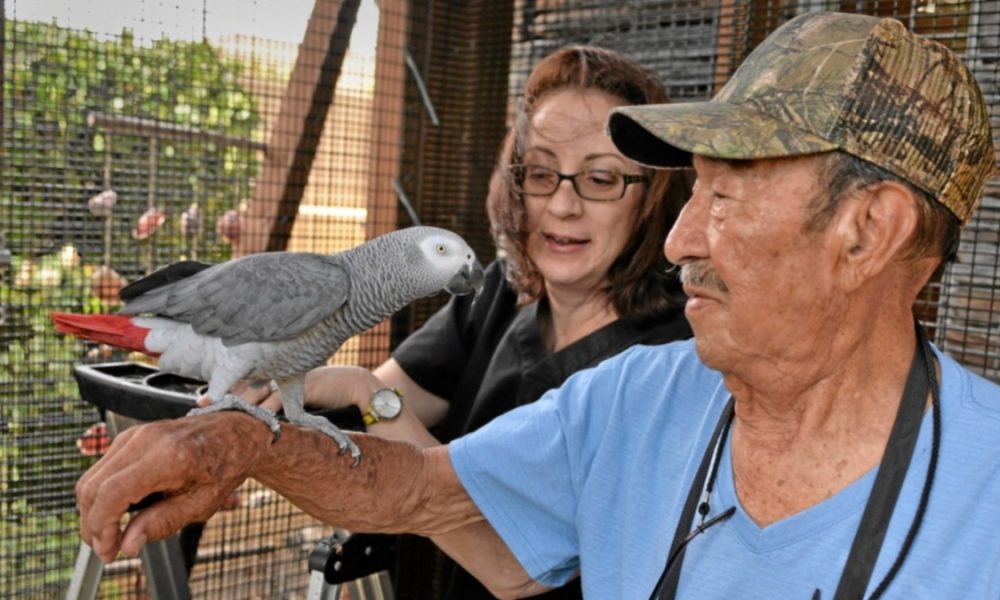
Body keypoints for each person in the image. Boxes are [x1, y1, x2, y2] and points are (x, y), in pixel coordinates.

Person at [76, 11, 1000, 599]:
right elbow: (421, 490)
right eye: (542, 174)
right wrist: (241, 441)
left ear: (868, 231)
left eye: (725, 197)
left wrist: (363, 397)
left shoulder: (984, 490)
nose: (684, 239)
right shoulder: (639, 397)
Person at [220, 44, 693, 599]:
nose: (563, 205)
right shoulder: (498, 293)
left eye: (602, 179)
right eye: (541, 172)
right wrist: (231, 427)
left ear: (651, 197)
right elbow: (367, 414)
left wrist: (366, 393)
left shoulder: (674, 355)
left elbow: (512, 564)